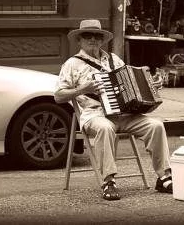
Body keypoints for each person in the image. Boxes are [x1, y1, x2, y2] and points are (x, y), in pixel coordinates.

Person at [54, 19, 173, 201]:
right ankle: (108, 181)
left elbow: (130, 83)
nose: (93, 39)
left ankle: (163, 176)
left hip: (124, 114)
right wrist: (83, 89)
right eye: (87, 36)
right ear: (79, 40)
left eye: (97, 36)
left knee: (156, 125)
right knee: (104, 128)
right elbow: (59, 96)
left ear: (102, 40)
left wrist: (152, 86)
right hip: (94, 114)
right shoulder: (71, 64)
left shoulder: (113, 59)